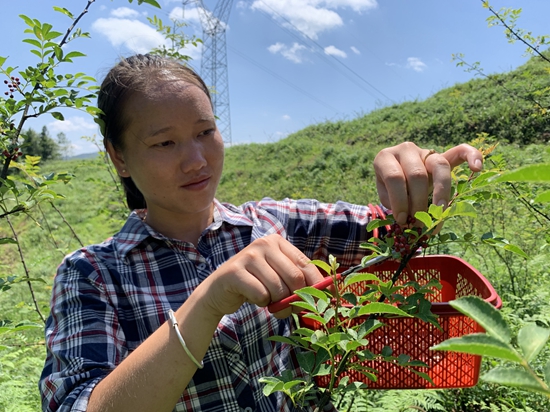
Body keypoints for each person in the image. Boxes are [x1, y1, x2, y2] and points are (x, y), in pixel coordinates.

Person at [39, 54, 483, 412]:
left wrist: (416, 180)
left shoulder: (273, 225)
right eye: (164, 143)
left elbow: (396, 233)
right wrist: (207, 301)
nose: (196, 160)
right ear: (118, 157)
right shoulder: (94, 274)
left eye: (205, 132)